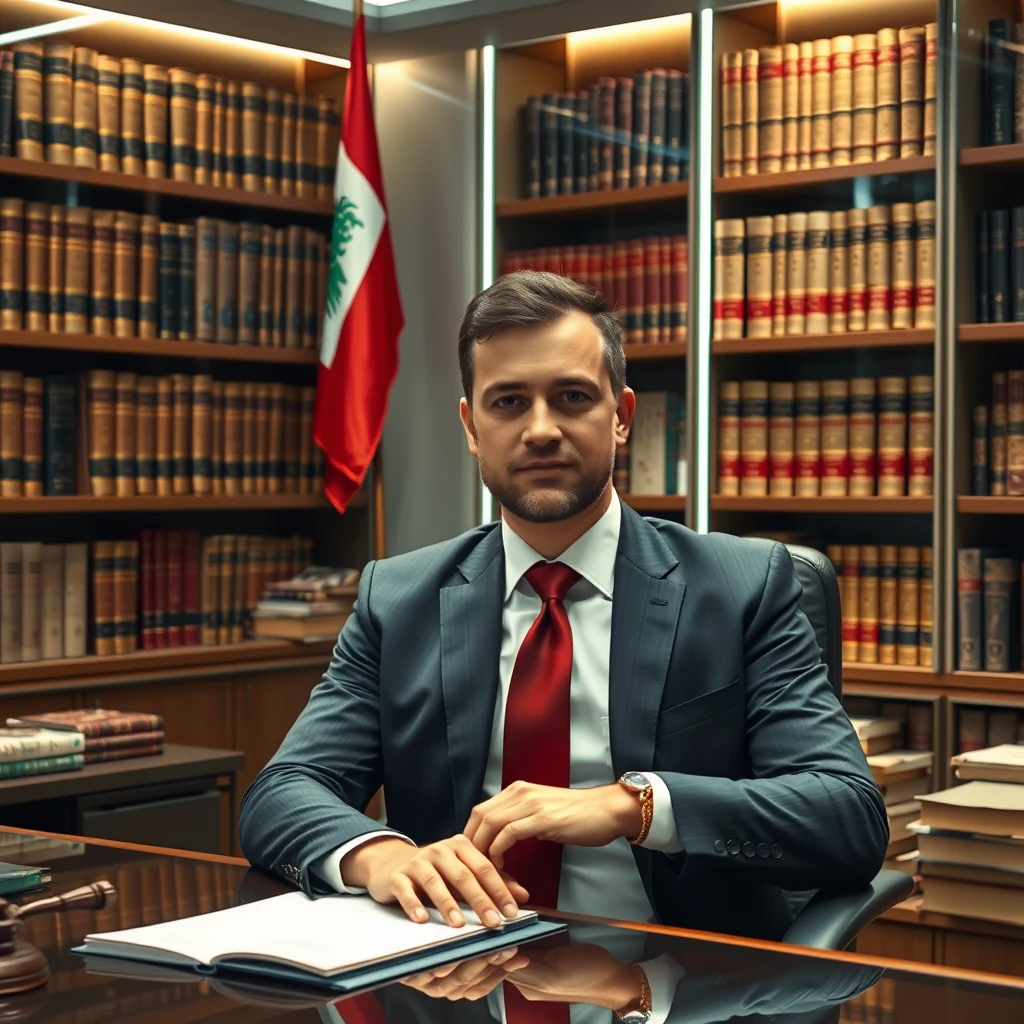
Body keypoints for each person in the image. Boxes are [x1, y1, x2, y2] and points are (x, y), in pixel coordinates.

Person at [239, 271, 888, 949]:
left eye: (572, 397)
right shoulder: (397, 599)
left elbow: (845, 816)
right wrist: (382, 856)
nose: (540, 430)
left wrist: (633, 805)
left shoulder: (742, 586)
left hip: (677, 983)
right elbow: (282, 793)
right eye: (509, 402)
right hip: (457, 978)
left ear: (621, 415)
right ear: (471, 426)